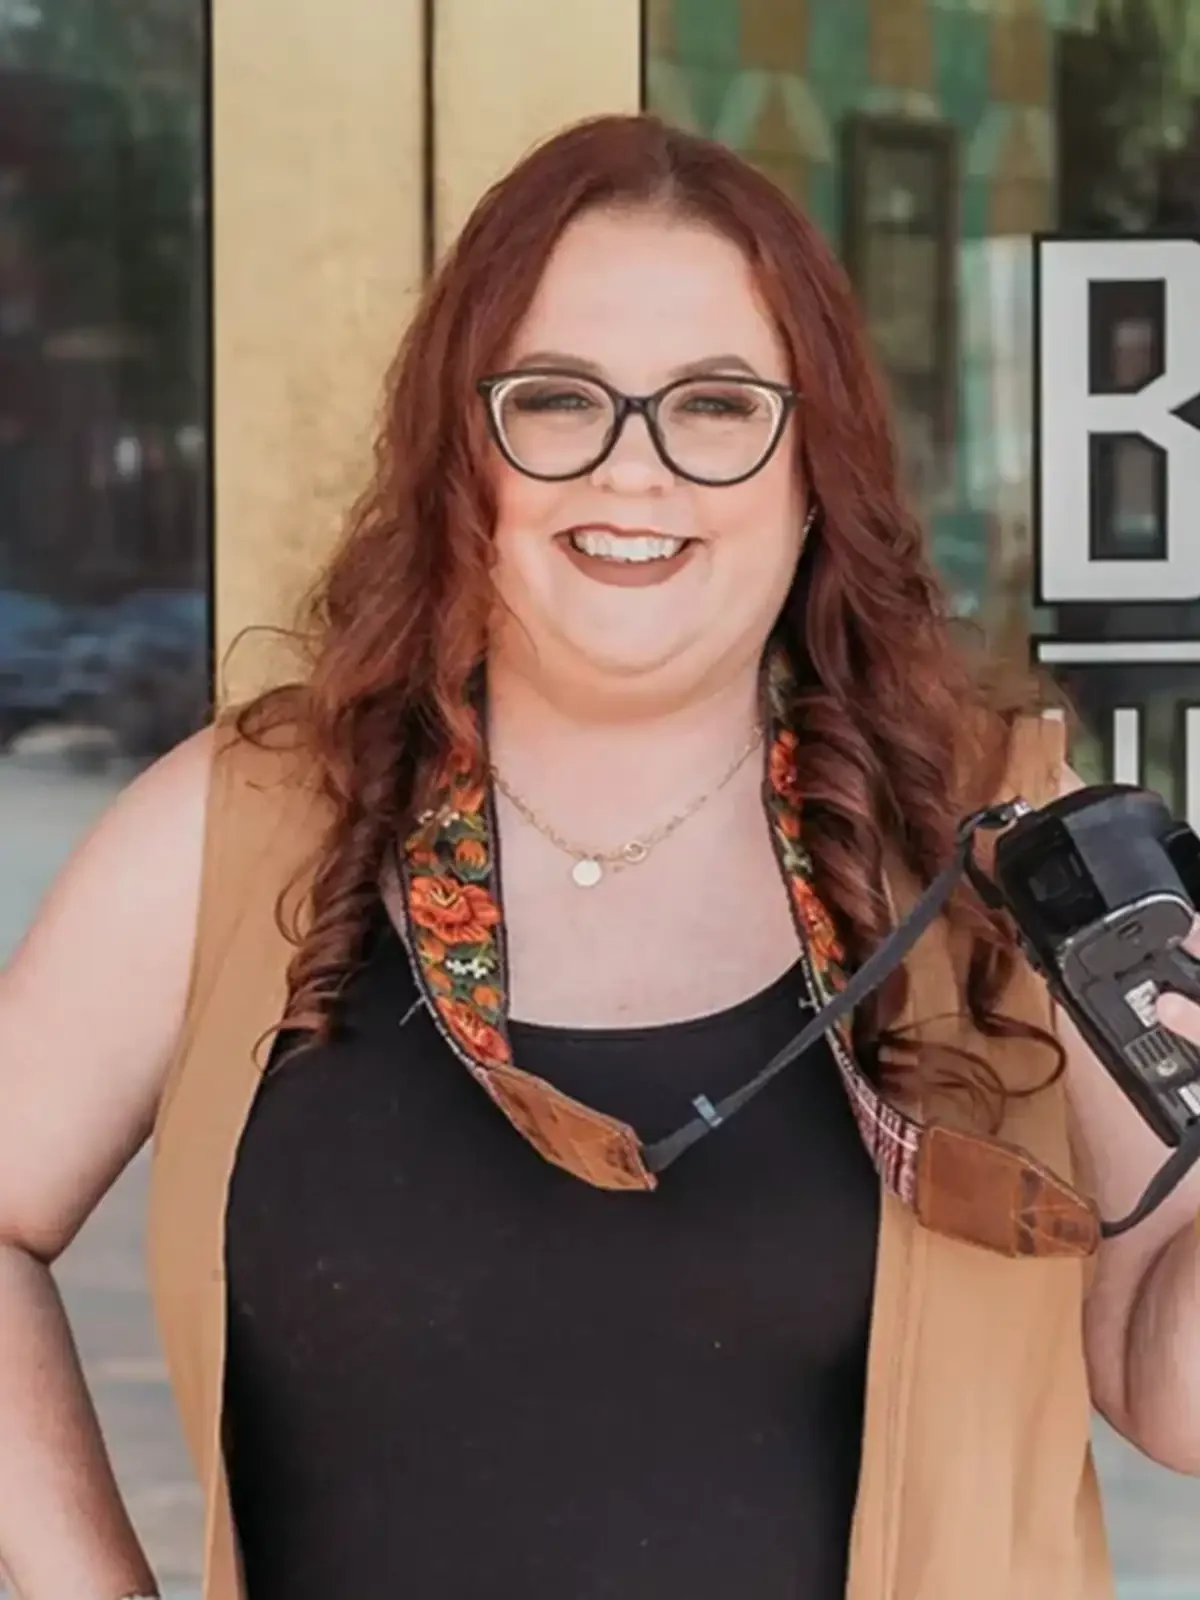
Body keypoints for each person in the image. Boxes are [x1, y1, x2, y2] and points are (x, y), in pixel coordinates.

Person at [1, 113, 1198, 1600]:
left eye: (714, 406)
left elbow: (1173, 1387)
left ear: (815, 458)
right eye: (561, 401)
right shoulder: (252, 818)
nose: (635, 474)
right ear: (465, 452)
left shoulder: (985, 828)